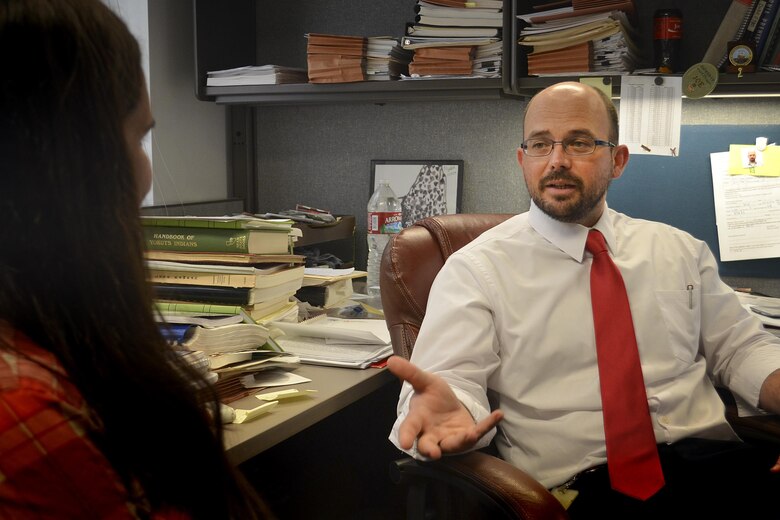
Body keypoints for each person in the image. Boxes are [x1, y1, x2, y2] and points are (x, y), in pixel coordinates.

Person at [387, 81, 780, 517]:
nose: (557, 160)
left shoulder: (680, 250)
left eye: (579, 142)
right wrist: (449, 412)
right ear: (523, 160)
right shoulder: (475, 270)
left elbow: (739, 348)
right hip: (584, 485)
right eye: (540, 144)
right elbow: (450, 381)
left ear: (618, 160)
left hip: (714, 462)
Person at [0, 1, 273, 518]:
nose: (146, 174)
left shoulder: (48, 347)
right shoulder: (28, 415)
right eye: (138, 135)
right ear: (73, 161)